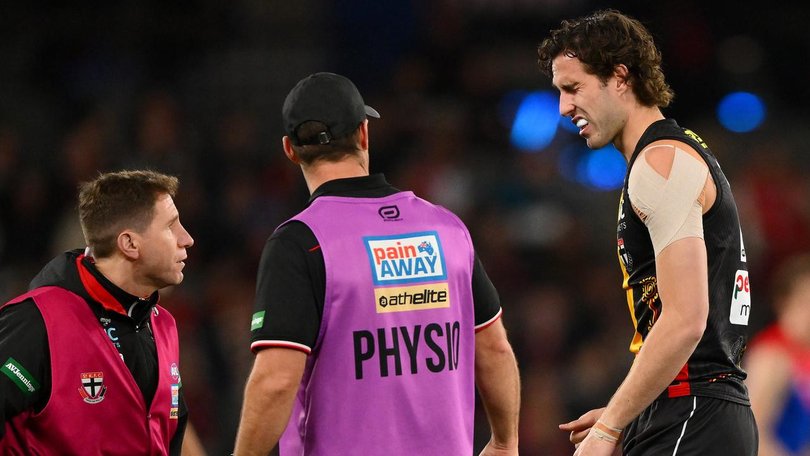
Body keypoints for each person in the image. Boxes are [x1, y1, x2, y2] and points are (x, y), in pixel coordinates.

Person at [233, 72, 521, 455]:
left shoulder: (301, 243)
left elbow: (275, 382)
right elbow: (495, 349)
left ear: (290, 149)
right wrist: (505, 442)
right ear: (364, 134)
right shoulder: (446, 228)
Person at [537, 9, 756, 456]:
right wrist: (630, 407)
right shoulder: (673, 152)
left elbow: (686, 320)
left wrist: (609, 428)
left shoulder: (660, 164)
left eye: (573, 88)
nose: (563, 108)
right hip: (694, 412)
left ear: (620, 76)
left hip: (693, 414)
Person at [0, 170, 198, 454]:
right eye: (171, 226)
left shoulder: (163, 325)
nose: (187, 238)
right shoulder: (38, 320)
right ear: (130, 244)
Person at [745, 254, 810, 455]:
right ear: (783, 302)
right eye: (805, 303)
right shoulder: (769, 357)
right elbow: (752, 435)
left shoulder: (802, 354)